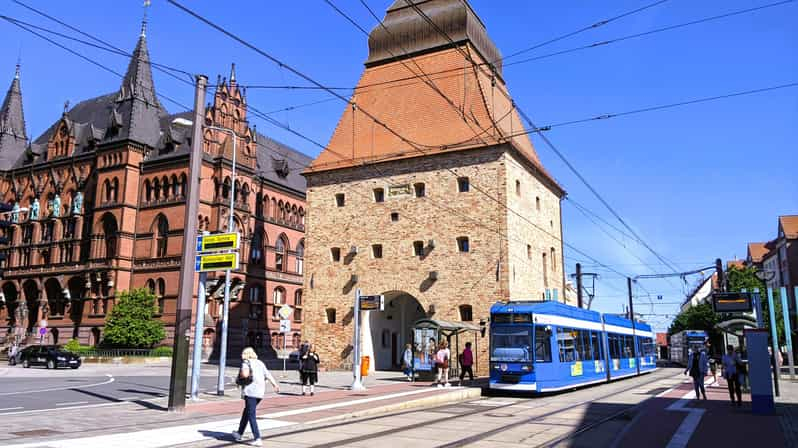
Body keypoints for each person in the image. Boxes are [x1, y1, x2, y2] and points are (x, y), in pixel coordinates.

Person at [232, 347, 280, 446]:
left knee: (251, 415)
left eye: (243, 353)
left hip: (251, 392)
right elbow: (268, 374)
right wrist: (275, 384)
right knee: (247, 412)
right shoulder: (260, 363)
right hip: (260, 393)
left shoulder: (246, 363)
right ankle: (239, 433)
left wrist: (240, 375)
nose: (241, 355)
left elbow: (245, 375)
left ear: (246, 354)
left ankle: (257, 438)